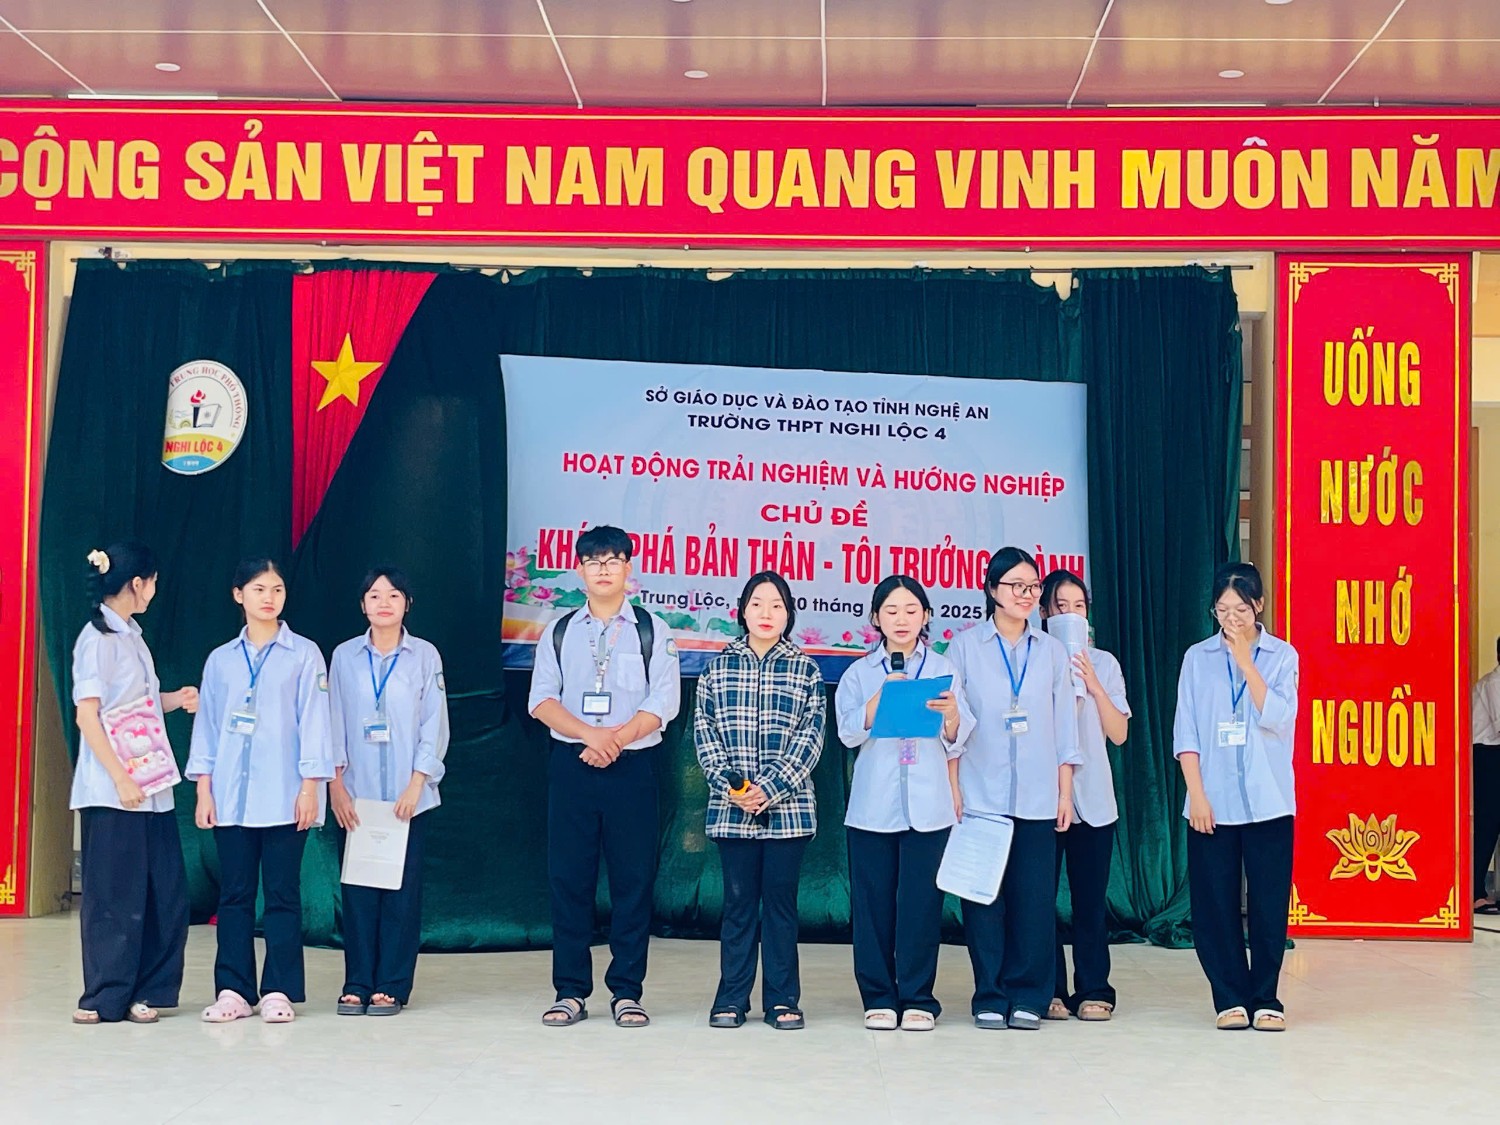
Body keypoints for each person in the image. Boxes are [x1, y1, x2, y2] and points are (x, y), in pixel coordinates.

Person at [528, 525, 681, 1028]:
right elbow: (541, 700)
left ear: (628, 569)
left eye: (613, 561)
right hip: (573, 764)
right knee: (568, 879)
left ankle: (627, 992)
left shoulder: (653, 629)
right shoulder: (559, 630)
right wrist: (591, 737)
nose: (603, 570)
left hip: (632, 767)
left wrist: (615, 739)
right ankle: (570, 991)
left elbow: (664, 701)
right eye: (593, 562)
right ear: (580, 570)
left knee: (633, 881)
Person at [188, 557, 335, 1024]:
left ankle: (278, 990)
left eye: (277, 589)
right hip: (231, 797)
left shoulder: (304, 654)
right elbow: (208, 727)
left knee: (282, 895)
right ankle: (233, 990)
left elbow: (316, 723)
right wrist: (204, 789)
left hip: (285, 796)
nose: (269, 598)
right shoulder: (221, 660)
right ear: (239, 595)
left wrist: (310, 788)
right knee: (233, 895)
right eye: (258, 589)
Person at [947, 547, 1080, 1031]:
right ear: (992, 590)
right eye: (1016, 586)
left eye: (1033, 587)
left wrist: (1064, 793)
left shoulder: (1052, 651)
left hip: (1039, 798)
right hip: (981, 796)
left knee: (1034, 901)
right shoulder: (965, 648)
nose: (1027, 595)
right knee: (983, 901)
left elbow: (1065, 727)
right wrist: (954, 788)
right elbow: (953, 724)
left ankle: (1029, 995)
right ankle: (989, 993)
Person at [69, 542, 198, 1025]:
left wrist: (174, 699)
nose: (155, 591)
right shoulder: (97, 639)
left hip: (152, 787)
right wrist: (120, 779)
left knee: (163, 893)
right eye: (153, 582)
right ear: (137, 583)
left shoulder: (133, 636)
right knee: (114, 897)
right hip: (114, 792)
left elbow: (135, 705)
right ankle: (104, 996)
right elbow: (88, 716)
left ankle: (149, 990)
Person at [836, 574, 971, 1033]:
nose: (901, 619)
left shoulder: (942, 668)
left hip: (929, 803)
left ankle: (917, 997)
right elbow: (847, 733)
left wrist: (951, 715)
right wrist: (881, 697)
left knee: (922, 904)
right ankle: (878, 996)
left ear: (926, 616)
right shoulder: (860, 673)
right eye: (891, 611)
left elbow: (957, 739)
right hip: (873, 805)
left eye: (912, 610)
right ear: (876, 618)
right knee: (873, 906)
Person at [695, 571, 826, 1031]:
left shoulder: (806, 670)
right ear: (742, 611)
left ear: (789, 614)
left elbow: (811, 739)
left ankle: (782, 999)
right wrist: (735, 788)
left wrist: (770, 788)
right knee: (737, 906)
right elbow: (705, 733)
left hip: (789, 812)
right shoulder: (717, 668)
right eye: (757, 604)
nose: (766, 613)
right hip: (732, 811)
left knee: (781, 907)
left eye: (776, 605)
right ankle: (731, 998)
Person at [1173, 561, 1299, 1032]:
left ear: (1259, 605)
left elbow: (1278, 717)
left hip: (1269, 802)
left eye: (1240, 610)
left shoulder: (1282, 656)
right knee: (1215, 906)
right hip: (1212, 801)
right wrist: (1197, 795)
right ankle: (1228, 997)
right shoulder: (1197, 658)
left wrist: (1247, 662)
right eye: (1222, 610)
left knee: (1267, 905)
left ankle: (1266, 997)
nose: (1231, 619)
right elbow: (1186, 731)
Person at [327, 567, 450, 1016]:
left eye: (394, 595)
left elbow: (434, 722)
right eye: (375, 595)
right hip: (356, 796)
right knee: (358, 892)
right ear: (363, 604)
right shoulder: (344, 656)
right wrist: (336, 788)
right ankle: (357, 982)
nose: (384, 602)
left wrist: (418, 783)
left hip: (407, 798)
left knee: (401, 893)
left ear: (407, 604)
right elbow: (332, 721)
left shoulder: (424, 656)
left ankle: (392, 985)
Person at [1038, 569, 1130, 1022]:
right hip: (1044, 798)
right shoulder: (1036, 661)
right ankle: (1050, 988)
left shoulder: (1105, 663)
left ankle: (1094, 987)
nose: (1071, 614)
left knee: (1090, 901)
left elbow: (1119, 733)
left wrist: (1092, 684)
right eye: (1061, 606)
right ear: (1043, 612)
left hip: (1093, 799)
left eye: (1079, 606)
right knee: (1040, 899)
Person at [1472, 638, 1500, 914]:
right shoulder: (1495, 683)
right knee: (1487, 825)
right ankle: (1475, 892)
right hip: (1488, 757)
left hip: (1494, 755)